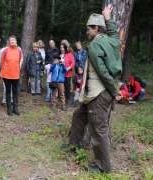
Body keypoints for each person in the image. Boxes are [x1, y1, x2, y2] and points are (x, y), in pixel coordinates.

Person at [66, 5, 123, 173]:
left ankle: (103, 167)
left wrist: (114, 91)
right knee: (78, 116)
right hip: (95, 93)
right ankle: (74, 145)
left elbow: (102, 72)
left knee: (98, 130)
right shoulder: (111, 40)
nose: (86, 32)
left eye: (88, 29)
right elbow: (114, 34)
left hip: (99, 94)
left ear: (96, 28)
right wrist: (108, 17)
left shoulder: (94, 46)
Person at [0, 35, 23, 116]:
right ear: (9, 42)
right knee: (8, 91)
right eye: (10, 40)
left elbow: (19, 60)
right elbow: (2, 62)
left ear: (16, 41)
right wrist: (3, 71)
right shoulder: (5, 50)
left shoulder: (19, 50)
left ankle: (15, 108)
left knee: (15, 91)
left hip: (15, 74)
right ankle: (9, 108)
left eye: (13, 40)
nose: (12, 41)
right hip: (6, 74)